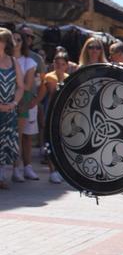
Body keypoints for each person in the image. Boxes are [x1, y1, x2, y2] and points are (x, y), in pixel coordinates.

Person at [32, 50, 70, 184]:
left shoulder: (69, 78)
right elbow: (41, 97)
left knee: (61, 145)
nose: (59, 66)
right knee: (50, 143)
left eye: (62, 64)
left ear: (66, 65)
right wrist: (32, 106)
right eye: (57, 63)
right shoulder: (49, 77)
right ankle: (52, 171)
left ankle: (59, 170)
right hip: (50, 113)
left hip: (64, 116)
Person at [12, 31, 39, 182]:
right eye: (12, 39)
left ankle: (17, 169)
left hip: (21, 100)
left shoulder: (29, 62)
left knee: (19, 137)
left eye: (18, 39)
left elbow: (28, 86)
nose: (15, 42)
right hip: (3, 99)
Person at [0, 29, 24, 189]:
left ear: (6, 43)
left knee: (4, 143)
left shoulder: (14, 62)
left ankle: (1, 177)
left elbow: (21, 87)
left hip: (9, 110)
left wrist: (13, 103)